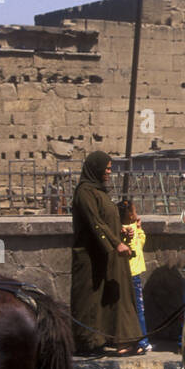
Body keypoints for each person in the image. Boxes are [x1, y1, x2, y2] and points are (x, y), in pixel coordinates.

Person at [70, 151, 142, 355]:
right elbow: (94, 222)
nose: (109, 172)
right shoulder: (84, 192)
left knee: (113, 298)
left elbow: (106, 220)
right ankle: (87, 343)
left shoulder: (99, 191)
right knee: (89, 301)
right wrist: (116, 243)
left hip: (106, 254)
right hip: (91, 257)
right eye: (107, 168)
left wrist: (121, 230)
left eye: (110, 168)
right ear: (96, 168)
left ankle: (120, 341)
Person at [119, 198, 153, 354]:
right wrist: (131, 234)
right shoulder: (124, 230)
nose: (137, 214)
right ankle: (141, 341)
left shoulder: (132, 227)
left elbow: (141, 244)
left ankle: (139, 342)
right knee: (137, 309)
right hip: (131, 274)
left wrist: (139, 229)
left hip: (134, 273)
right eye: (135, 211)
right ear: (129, 214)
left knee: (136, 309)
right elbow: (132, 249)